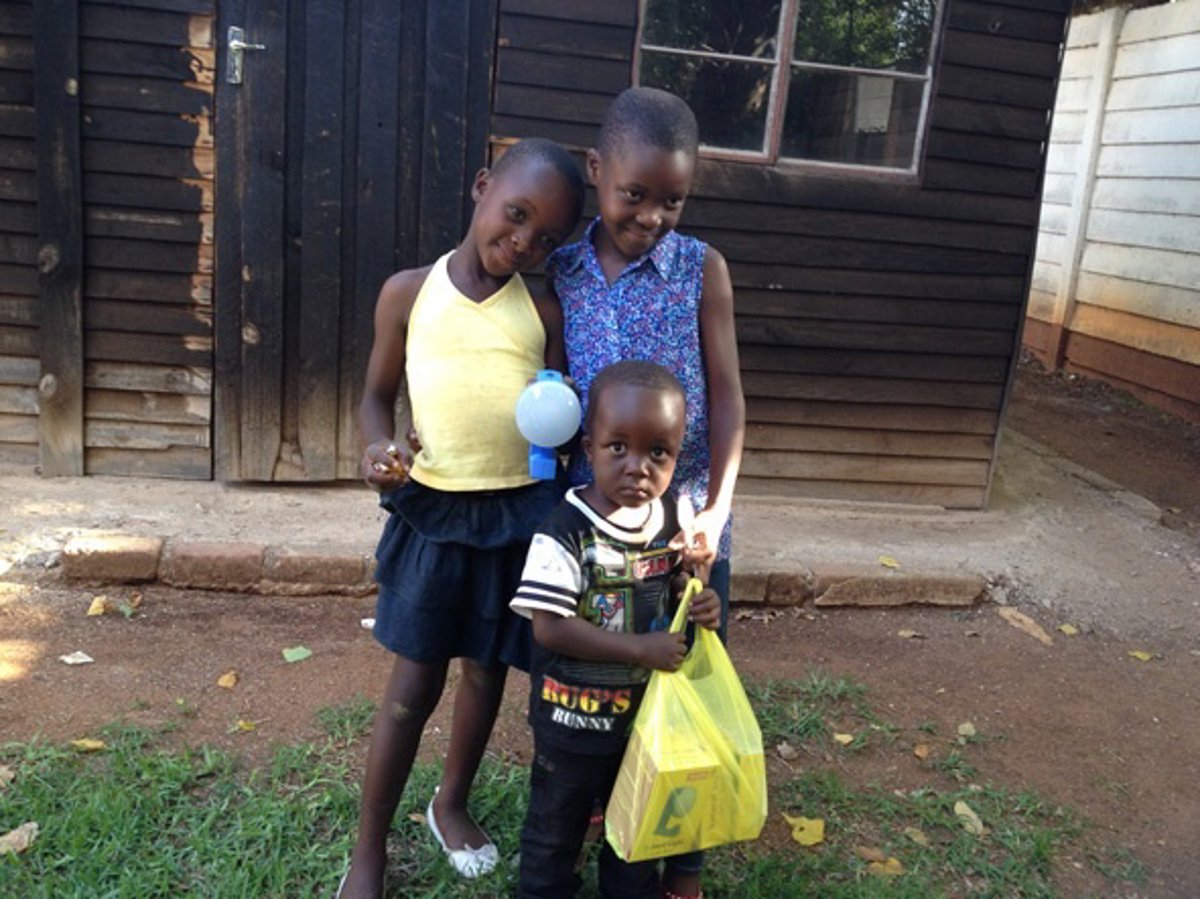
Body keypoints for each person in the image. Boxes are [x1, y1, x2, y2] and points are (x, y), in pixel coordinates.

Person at [337, 137, 585, 899]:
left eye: (547, 237)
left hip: (516, 514)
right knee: (414, 680)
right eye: (516, 214)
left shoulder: (542, 309)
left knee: (486, 667)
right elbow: (376, 395)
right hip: (436, 513)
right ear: (482, 187)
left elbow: (556, 407)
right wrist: (378, 445)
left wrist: (565, 431)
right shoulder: (408, 293)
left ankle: (450, 803)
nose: (524, 242)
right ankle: (369, 849)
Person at [511, 360, 722, 899]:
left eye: (658, 452)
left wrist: (699, 601)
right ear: (589, 448)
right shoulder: (564, 531)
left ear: (678, 455)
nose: (638, 468)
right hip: (572, 722)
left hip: (644, 726)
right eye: (618, 447)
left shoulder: (672, 519)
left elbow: (677, 590)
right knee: (554, 835)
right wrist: (639, 650)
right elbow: (550, 629)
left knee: (635, 835)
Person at [548, 86, 745, 641]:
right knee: (596, 662)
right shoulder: (564, 272)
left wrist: (716, 510)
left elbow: (727, 396)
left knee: (689, 658)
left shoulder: (702, 269)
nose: (651, 216)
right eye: (634, 194)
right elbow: (555, 391)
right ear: (596, 169)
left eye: (672, 201)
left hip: (686, 521)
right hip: (591, 521)